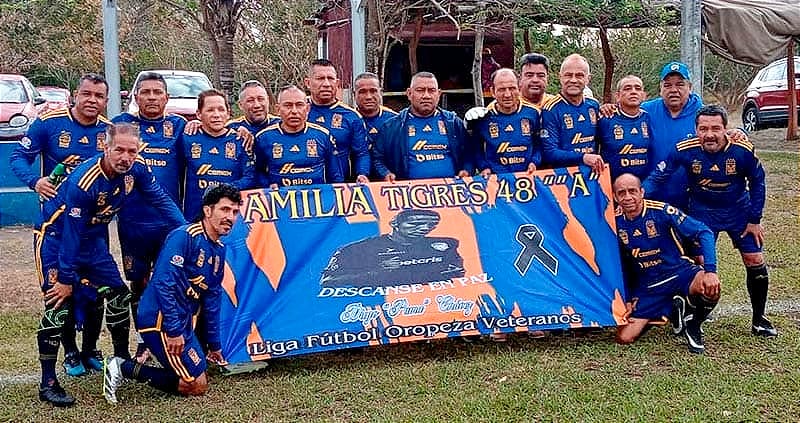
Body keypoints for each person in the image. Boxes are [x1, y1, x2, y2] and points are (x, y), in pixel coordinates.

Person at [34, 122, 185, 406]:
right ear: (106, 147)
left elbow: (161, 199)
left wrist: (186, 231)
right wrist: (65, 279)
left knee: (118, 295)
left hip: (91, 240)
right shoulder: (84, 181)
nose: (125, 157)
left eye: (131, 151)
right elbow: (71, 234)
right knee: (58, 304)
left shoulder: (137, 169)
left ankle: (121, 361)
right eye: (119, 150)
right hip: (57, 238)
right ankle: (48, 382)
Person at [9, 73, 112, 378]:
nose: (92, 100)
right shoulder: (49, 122)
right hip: (56, 228)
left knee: (96, 292)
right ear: (74, 96)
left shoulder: (108, 132)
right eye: (86, 94)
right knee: (60, 293)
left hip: (93, 230)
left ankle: (91, 349)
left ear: (106, 101)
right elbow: (18, 157)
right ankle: (70, 352)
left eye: (98, 96)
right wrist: (36, 181)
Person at [643, 105, 776, 337]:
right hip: (702, 210)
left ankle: (759, 319)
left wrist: (754, 220)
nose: (710, 134)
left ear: (726, 129)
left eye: (716, 128)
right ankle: (693, 313)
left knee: (754, 259)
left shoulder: (742, 150)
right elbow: (658, 176)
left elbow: (758, 182)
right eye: (703, 129)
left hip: (738, 210)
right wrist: (638, 196)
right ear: (696, 130)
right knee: (701, 263)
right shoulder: (684, 149)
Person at [103, 183, 241, 403]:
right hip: (160, 320)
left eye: (234, 212)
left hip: (183, 322)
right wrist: (174, 331)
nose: (230, 217)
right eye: (224, 209)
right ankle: (121, 367)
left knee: (201, 374)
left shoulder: (219, 250)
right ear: (207, 210)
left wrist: (214, 345)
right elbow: (163, 284)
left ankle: (150, 363)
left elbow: (212, 299)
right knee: (195, 385)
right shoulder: (185, 236)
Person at [113, 72, 187, 362]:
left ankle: (174, 335)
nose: (152, 97)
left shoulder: (180, 126)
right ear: (136, 96)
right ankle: (144, 340)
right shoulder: (120, 125)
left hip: (169, 222)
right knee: (139, 283)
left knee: (171, 281)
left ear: (167, 98)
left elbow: (210, 137)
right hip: (133, 223)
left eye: (158, 92)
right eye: (146, 92)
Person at [613, 173, 720, 354]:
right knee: (624, 337)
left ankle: (693, 324)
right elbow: (622, 265)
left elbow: (704, 231)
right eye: (621, 193)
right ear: (615, 197)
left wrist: (710, 270)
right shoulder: (614, 223)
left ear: (642, 192)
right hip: (649, 286)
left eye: (632, 191)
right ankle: (672, 308)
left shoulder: (661, 211)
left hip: (679, 272)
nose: (628, 197)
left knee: (710, 286)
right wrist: (629, 298)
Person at [320, 209, 465, 287]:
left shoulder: (446, 244)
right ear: (394, 224)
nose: (424, 229)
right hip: (378, 306)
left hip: (429, 305)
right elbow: (328, 281)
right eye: (415, 224)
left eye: (431, 225)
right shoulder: (356, 249)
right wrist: (376, 271)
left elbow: (457, 272)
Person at [372, 72, 472, 182]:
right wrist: (385, 174)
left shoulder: (453, 122)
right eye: (420, 90)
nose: (426, 96)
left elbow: (470, 153)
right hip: (409, 191)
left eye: (431, 90)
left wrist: (467, 170)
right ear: (409, 94)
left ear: (439, 94)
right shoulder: (392, 126)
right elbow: (377, 158)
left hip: (449, 190)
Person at [182, 89, 254, 221]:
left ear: (228, 114)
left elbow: (250, 177)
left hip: (230, 217)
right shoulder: (188, 138)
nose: (216, 115)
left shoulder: (241, 140)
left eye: (221, 110)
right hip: (195, 217)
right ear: (199, 114)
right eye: (210, 110)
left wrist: (224, 189)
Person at [253, 85, 344, 188]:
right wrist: (267, 185)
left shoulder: (323, 135)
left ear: (308, 108)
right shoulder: (263, 138)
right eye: (288, 106)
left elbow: (336, 176)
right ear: (278, 109)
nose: (294, 111)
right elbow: (257, 172)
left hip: (316, 197)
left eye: (299, 105)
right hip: (279, 197)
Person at [305, 59, 370, 183]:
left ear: (337, 83)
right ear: (308, 83)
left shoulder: (351, 116)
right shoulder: (297, 111)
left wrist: (362, 173)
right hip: (305, 188)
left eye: (330, 78)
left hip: (340, 188)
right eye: (320, 78)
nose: (326, 84)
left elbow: (361, 153)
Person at [539, 54, 604, 173]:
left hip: (592, 175)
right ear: (560, 77)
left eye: (579, 75)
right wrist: (583, 158)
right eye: (568, 75)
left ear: (588, 79)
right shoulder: (551, 109)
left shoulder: (593, 105)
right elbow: (549, 153)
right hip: (563, 177)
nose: (573, 80)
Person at [470, 68, 542, 176]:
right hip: (495, 180)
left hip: (527, 177)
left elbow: (539, 144)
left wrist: (534, 162)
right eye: (501, 89)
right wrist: (484, 167)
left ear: (519, 88)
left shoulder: (533, 113)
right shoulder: (483, 118)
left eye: (512, 88)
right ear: (492, 92)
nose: (507, 94)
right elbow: (476, 149)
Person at [464, 52, 555, 122]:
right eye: (529, 75)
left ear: (548, 78)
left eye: (540, 75)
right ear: (520, 78)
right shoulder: (499, 107)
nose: (535, 80)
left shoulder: (555, 105)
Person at [596, 75, 654, 180]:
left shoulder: (648, 118)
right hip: (612, 184)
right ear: (617, 96)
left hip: (641, 184)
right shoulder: (606, 118)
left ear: (644, 95)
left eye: (638, 88)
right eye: (627, 88)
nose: (633, 92)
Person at [354, 72, 398, 148]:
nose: (368, 97)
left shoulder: (395, 120)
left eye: (373, 91)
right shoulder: (348, 119)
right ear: (354, 94)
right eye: (363, 92)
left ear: (381, 92)